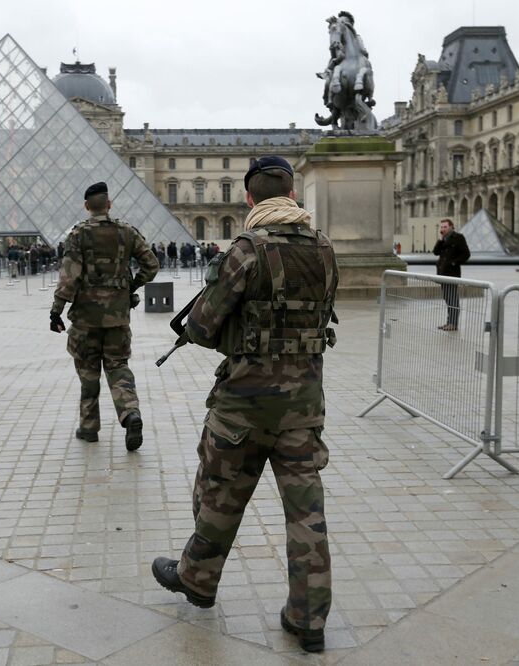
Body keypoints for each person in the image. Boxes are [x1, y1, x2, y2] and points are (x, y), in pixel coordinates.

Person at [151, 156, 339, 653]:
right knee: (307, 512)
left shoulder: (247, 249)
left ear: (250, 199)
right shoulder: (324, 248)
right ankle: (309, 618)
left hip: (245, 403)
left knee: (220, 492)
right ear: (293, 196)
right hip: (304, 402)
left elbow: (203, 325)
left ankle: (197, 578)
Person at [49, 181, 159, 450]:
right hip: (118, 318)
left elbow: (69, 277)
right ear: (109, 204)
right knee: (117, 366)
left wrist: (56, 310)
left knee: (88, 372)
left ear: (87, 206)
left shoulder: (77, 235)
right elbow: (151, 265)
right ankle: (130, 413)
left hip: (85, 319)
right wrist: (130, 286)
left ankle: (89, 428)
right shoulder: (127, 232)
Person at [432, 218, 470, 331]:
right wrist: (440, 240)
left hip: (452, 274)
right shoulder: (443, 239)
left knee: (453, 299)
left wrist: (454, 263)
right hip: (442, 273)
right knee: (447, 298)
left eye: (445, 227)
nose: (442, 229)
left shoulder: (458, 238)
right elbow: (435, 252)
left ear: (451, 227)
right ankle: (449, 322)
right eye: (442, 227)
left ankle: (453, 324)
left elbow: (466, 254)